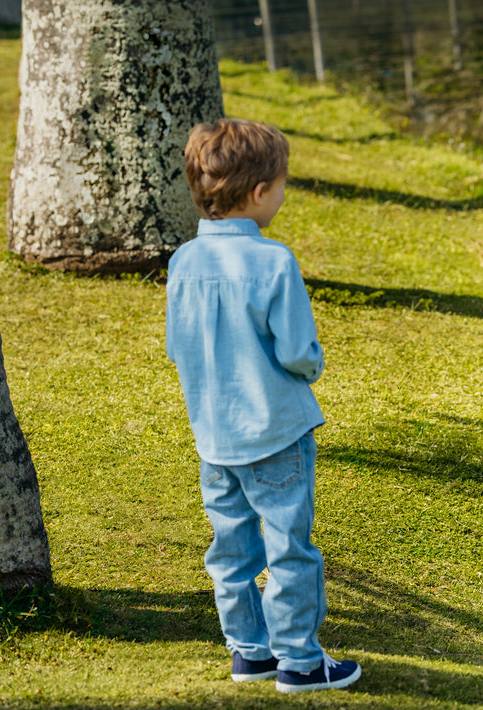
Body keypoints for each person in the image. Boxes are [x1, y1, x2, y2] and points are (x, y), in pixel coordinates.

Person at [167, 118, 361, 693]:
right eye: (280, 185)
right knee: (289, 549)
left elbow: (180, 349)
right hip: (276, 431)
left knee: (230, 547)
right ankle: (300, 661)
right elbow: (299, 352)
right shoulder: (275, 262)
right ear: (259, 193)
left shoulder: (183, 262)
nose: (281, 195)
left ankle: (249, 653)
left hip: (214, 438)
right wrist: (314, 368)